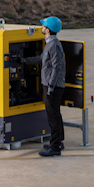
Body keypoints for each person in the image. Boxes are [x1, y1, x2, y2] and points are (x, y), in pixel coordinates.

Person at [23, 16, 66, 157]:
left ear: (47, 29)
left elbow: (57, 67)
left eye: (43, 26)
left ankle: (55, 148)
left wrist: (51, 87)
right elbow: (42, 59)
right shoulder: (50, 43)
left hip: (52, 86)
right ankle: (58, 142)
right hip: (51, 84)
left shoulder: (53, 45)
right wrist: (23, 61)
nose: (41, 27)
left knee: (53, 117)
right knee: (55, 115)